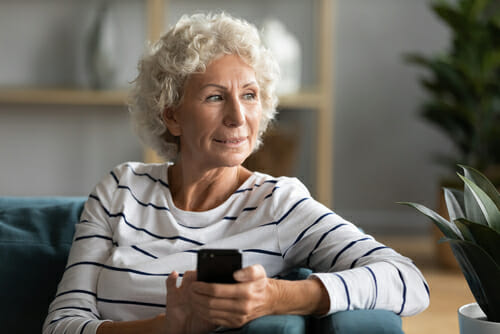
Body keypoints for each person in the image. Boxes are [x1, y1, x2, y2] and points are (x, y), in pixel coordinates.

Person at [43, 12, 429, 334]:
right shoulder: (120, 189)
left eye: (249, 95)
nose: (238, 117)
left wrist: (276, 296)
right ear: (172, 115)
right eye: (214, 96)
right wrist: (165, 327)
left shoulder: (278, 204)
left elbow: (408, 280)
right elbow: (62, 323)